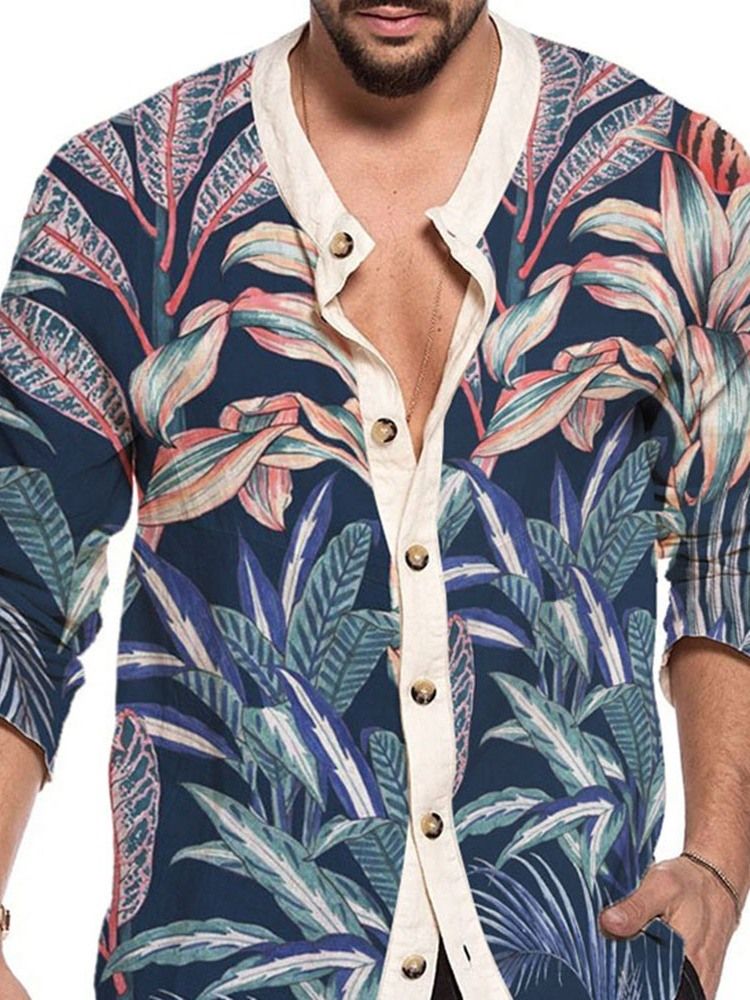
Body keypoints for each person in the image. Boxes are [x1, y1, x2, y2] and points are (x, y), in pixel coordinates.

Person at [0, 2, 749, 998]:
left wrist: (717, 866)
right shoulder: (123, 196)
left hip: (575, 961)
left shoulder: (676, 179)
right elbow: (22, 586)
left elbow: (728, 547)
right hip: (236, 968)